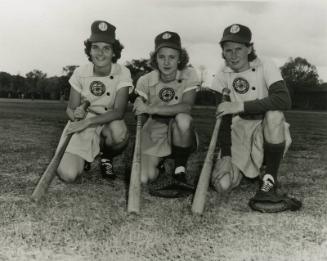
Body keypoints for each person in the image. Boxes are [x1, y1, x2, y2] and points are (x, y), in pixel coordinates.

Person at [209, 24, 301, 212]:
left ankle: (269, 180)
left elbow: (283, 100)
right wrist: (226, 155)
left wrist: (240, 105)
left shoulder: (265, 64)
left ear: (249, 48)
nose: (233, 55)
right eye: (228, 51)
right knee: (222, 185)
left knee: (275, 115)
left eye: (239, 49)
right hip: (239, 128)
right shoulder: (221, 74)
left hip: (264, 126)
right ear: (223, 52)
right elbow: (224, 119)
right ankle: (250, 171)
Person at [57, 20, 133, 182]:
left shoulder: (122, 72)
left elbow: (119, 112)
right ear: (89, 50)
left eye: (106, 48)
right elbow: (70, 109)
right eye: (95, 47)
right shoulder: (80, 72)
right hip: (82, 125)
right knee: (68, 175)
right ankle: (84, 157)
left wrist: (88, 122)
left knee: (119, 133)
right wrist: (75, 113)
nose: (100, 53)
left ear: (114, 52)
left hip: (107, 122)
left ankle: (106, 157)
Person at [133, 31, 200, 185]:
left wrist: (151, 109)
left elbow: (187, 106)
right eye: (162, 57)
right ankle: (160, 163)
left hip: (179, 129)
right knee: (143, 178)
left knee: (183, 119)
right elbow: (141, 112)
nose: (167, 62)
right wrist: (138, 110)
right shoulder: (145, 80)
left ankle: (179, 169)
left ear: (180, 59)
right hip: (154, 130)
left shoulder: (189, 74)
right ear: (155, 59)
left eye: (172, 57)